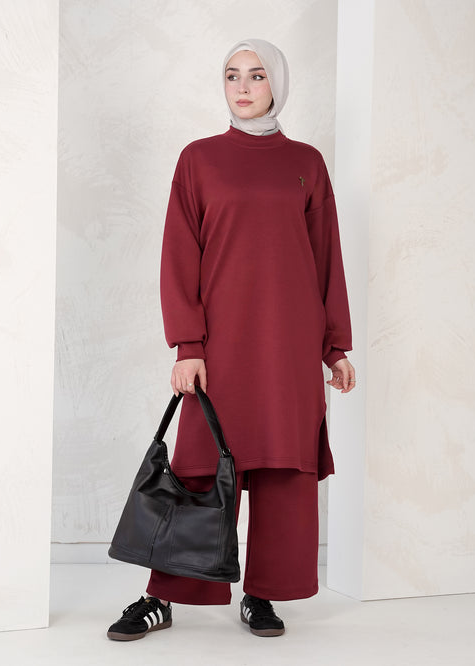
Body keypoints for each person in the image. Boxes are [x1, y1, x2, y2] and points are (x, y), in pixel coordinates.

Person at [107, 37, 355, 641]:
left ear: (278, 84)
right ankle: (163, 596)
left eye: (257, 75)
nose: (243, 87)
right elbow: (178, 256)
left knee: (282, 467)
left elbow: (326, 258)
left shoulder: (306, 162)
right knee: (198, 467)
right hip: (219, 348)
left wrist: (335, 346)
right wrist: (188, 345)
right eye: (232, 75)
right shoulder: (199, 160)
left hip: (289, 347)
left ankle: (263, 595)